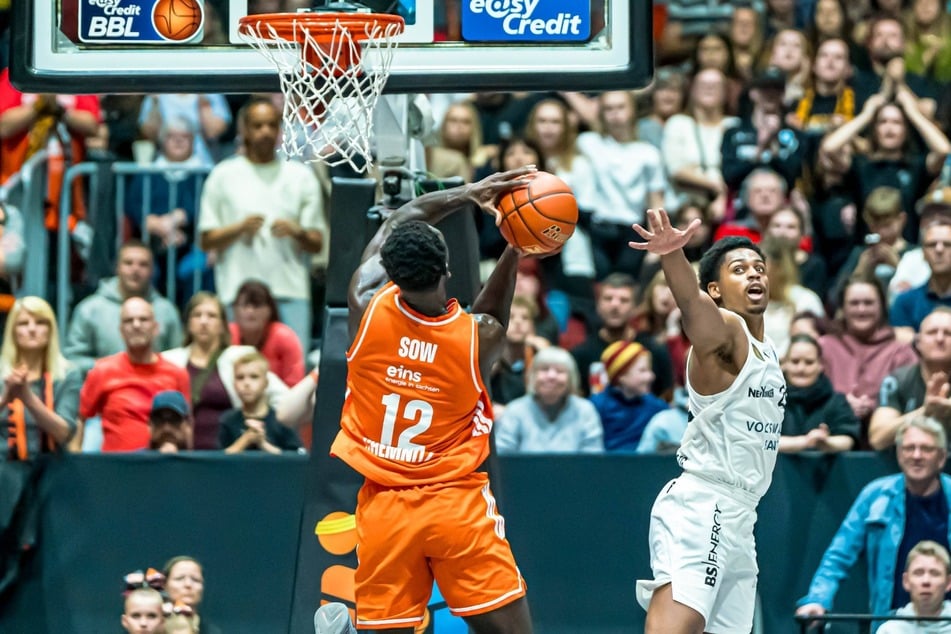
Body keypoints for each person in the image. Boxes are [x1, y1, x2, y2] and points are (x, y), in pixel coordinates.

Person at [328, 168, 535, 632]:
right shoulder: (474, 340)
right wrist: (515, 247)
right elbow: (494, 316)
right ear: (447, 271)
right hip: (452, 503)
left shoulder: (365, 301)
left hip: (384, 507)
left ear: (392, 274)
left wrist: (467, 194)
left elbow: (401, 219)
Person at [630, 214, 786, 634]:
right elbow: (693, 309)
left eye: (759, 268)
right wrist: (672, 255)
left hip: (742, 515)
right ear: (716, 289)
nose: (754, 274)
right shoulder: (726, 333)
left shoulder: (767, 351)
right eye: (739, 270)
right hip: (704, 504)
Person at [198, 97, 325, 348]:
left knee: (293, 373)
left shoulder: (301, 176)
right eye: (257, 126)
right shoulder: (222, 175)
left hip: (289, 290)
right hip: (236, 291)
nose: (265, 132)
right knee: (233, 371)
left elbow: (317, 243)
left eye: (271, 125)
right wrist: (239, 228)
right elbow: (205, 239)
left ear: (280, 130)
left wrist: (297, 231)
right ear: (244, 130)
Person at [796, 417, 951, 621]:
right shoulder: (876, 495)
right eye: (909, 448)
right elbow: (839, 555)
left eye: (926, 449)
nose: (916, 455)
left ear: (941, 457)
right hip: (889, 623)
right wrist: (817, 599)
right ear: (898, 453)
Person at [162, 292, 288, 450]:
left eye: (211, 316)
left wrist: (265, 426)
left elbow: (283, 399)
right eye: (197, 315)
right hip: (183, 453)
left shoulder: (240, 356)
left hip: (232, 453)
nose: (204, 321)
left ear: (223, 325)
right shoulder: (169, 360)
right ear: (188, 322)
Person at [77, 297, 191, 451]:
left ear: (155, 327)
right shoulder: (102, 371)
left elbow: (188, 425)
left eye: (143, 319)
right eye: (129, 321)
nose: (136, 325)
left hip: (162, 467)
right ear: (121, 330)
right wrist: (74, 463)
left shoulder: (177, 373)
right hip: (115, 468)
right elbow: (80, 418)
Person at [64, 240, 183, 376]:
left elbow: (177, 359)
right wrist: (110, 367)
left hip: (155, 391)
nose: (135, 269)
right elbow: (72, 361)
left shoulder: (166, 311)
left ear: (152, 270)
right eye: (128, 263)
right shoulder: (89, 310)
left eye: (143, 264)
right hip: (103, 390)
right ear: (117, 267)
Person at [0, 297, 81, 460]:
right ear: (13, 331)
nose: (32, 329)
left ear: (50, 330)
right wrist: (6, 397)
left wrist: (26, 397)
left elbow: (64, 433)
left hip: (52, 470)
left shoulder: (68, 375)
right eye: (23, 323)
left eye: (40, 323)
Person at [495, 346, 604, 455]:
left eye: (560, 371)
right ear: (532, 376)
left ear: (571, 378)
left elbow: (593, 460)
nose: (551, 376)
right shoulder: (515, 411)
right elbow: (502, 458)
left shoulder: (585, 411)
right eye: (544, 369)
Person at [868, 308, 951, 450]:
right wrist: (925, 411)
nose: (939, 339)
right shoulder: (896, 380)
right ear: (918, 342)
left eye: (948, 333)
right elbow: (877, 438)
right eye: (932, 332)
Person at [778, 334, 860, 453]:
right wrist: (805, 441)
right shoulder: (769, 399)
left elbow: (848, 439)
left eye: (809, 362)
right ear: (784, 364)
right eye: (795, 362)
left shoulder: (837, 401)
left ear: (820, 365)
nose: (801, 368)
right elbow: (760, 440)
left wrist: (826, 442)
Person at [589, 341, 669, 452]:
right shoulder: (596, 407)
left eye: (650, 370)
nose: (651, 376)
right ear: (621, 376)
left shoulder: (657, 407)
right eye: (643, 370)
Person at [219, 351, 302, 454]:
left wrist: (262, 443)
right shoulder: (227, 420)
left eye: (254, 377)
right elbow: (218, 460)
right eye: (240, 377)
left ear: (266, 383)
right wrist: (245, 440)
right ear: (234, 384)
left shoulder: (282, 420)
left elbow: (295, 459)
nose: (246, 383)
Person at [228, 280, 305, 387]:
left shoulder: (284, 337)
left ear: (270, 310)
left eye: (256, 306)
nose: (250, 311)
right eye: (244, 305)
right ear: (234, 309)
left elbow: (295, 386)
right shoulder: (226, 335)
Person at [877, 541, 951, 634]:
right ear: (906, 581)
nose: (926, 581)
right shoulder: (889, 630)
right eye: (918, 573)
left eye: (934, 573)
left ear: (948, 582)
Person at [163, 556, 220, 634]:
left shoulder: (212, 632)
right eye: (179, 578)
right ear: (164, 585)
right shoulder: (149, 627)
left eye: (195, 580)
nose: (188, 584)